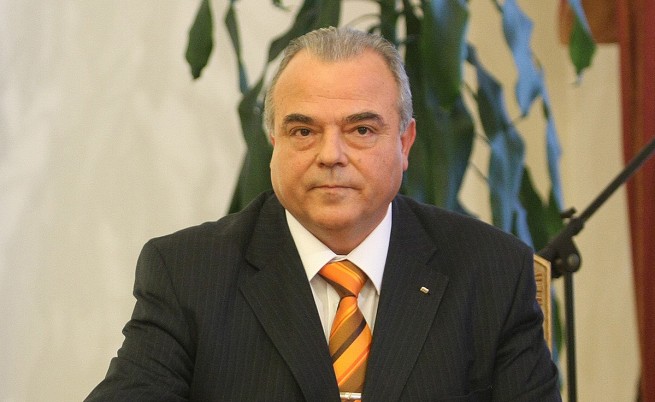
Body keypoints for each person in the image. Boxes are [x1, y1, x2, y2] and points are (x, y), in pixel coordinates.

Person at [86, 27, 561, 401]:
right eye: (304, 131)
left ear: (405, 143)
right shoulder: (188, 272)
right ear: (274, 143)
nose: (331, 155)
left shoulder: (492, 271)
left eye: (361, 130)